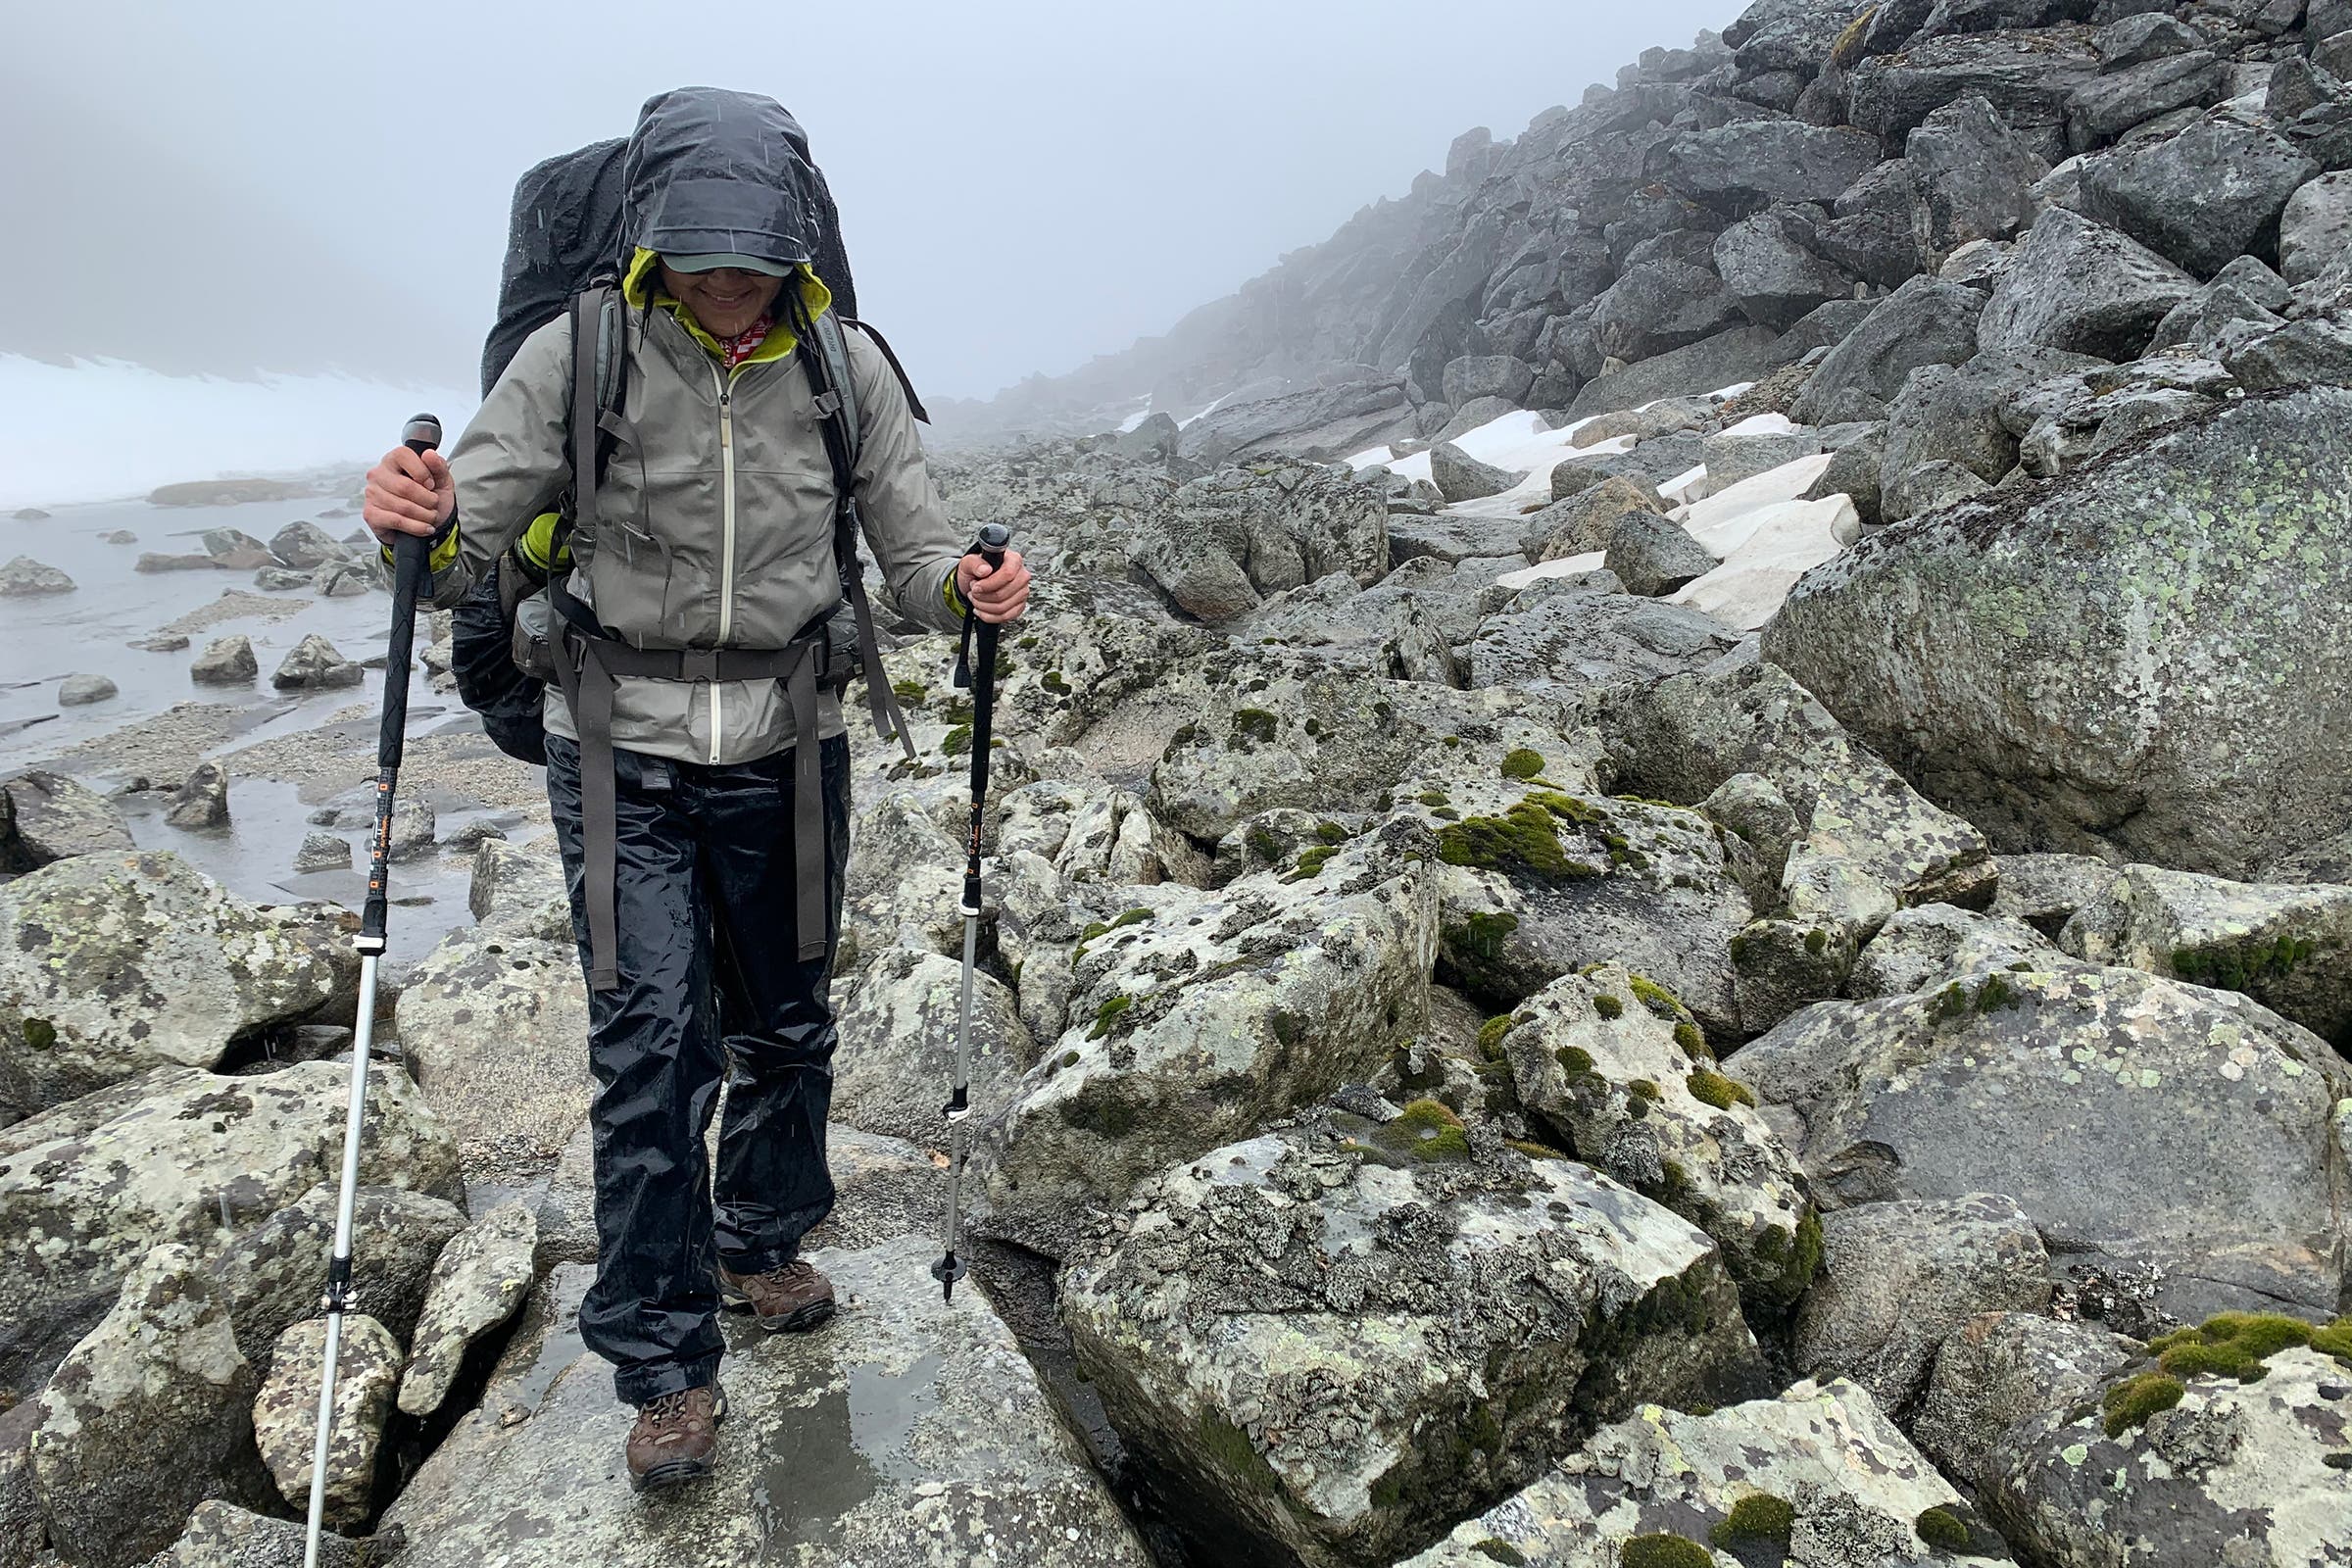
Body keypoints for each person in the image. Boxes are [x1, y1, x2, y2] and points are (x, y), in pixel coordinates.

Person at [362, 122, 1029, 1493]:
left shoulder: (848, 369)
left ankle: (760, 1236)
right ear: (660, 248)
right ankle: (663, 1362)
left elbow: (911, 558)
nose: (733, 287)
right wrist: (406, 522)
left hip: (789, 740)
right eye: (706, 261)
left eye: (759, 263)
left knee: (786, 1021)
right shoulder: (586, 351)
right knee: (649, 1048)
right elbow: (453, 549)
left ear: (801, 259)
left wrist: (970, 592)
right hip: (619, 752)